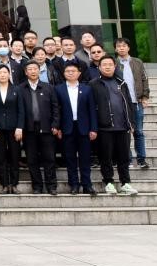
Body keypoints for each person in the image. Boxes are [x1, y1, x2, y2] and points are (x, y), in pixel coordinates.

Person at [90, 57, 138, 195]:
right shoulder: (94, 84)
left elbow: (129, 103)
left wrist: (131, 123)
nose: (107, 67)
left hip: (123, 126)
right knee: (106, 157)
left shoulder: (121, 82)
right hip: (104, 128)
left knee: (124, 157)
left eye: (110, 65)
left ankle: (125, 183)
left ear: (114, 66)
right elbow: (91, 107)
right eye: (104, 65)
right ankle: (109, 182)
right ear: (99, 67)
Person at [54, 62, 99, 195]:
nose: (71, 73)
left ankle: (87, 184)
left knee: (85, 158)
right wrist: (58, 127)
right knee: (70, 158)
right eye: (68, 71)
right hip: (67, 128)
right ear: (64, 74)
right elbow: (57, 110)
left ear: (79, 73)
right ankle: (74, 184)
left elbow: (92, 110)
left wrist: (94, 129)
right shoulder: (58, 89)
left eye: (73, 71)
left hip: (84, 128)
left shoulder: (87, 89)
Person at [20, 61, 60, 194]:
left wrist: (55, 124)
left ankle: (51, 186)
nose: (32, 71)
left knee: (49, 158)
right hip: (29, 129)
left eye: (35, 69)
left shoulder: (48, 87)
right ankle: (37, 186)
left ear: (39, 71)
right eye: (29, 69)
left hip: (47, 128)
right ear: (26, 72)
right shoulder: (21, 88)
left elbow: (56, 108)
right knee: (31, 159)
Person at [114, 37, 150, 169]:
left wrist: (145, 96)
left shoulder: (137, 62)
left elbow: (144, 79)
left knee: (139, 131)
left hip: (137, 101)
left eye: (124, 46)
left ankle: (141, 159)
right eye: (119, 46)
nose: (121, 48)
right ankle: (127, 159)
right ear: (115, 49)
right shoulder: (113, 63)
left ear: (128, 48)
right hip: (121, 104)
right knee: (125, 132)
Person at [0, 63, 24, 194]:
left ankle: (14, 184)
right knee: (1, 157)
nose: (3, 75)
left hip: (14, 128)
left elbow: (21, 110)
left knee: (15, 156)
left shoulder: (17, 89)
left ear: (9, 74)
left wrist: (20, 127)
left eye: (5, 72)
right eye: (0, 73)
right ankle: (4, 184)